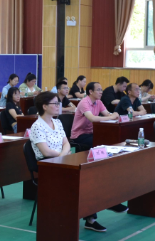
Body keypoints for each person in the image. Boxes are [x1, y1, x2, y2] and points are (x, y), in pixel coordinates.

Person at [31, 91, 106, 232]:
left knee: (89, 178)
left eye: (58, 103)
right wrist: (62, 155)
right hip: (47, 165)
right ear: (44, 106)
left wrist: (63, 155)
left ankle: (91, 219)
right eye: (55, 103)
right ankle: (79, 218)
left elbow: (66, 143)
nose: (58, 106)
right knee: (80, 180)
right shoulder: (37, 126)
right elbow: (46, 152)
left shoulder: (57, 122)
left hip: (63, 160)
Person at [70, 82, 120, 148]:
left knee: (110, 138)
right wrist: (111, 117)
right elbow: (92, 118)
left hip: (91, 132)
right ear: (91, 91)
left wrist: (114, 114)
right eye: (98, 90)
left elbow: (107, 114)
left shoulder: (98, 101)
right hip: (79, 135)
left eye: (101, 90)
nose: (101, 92)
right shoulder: (84, 102)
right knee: (101, 141)